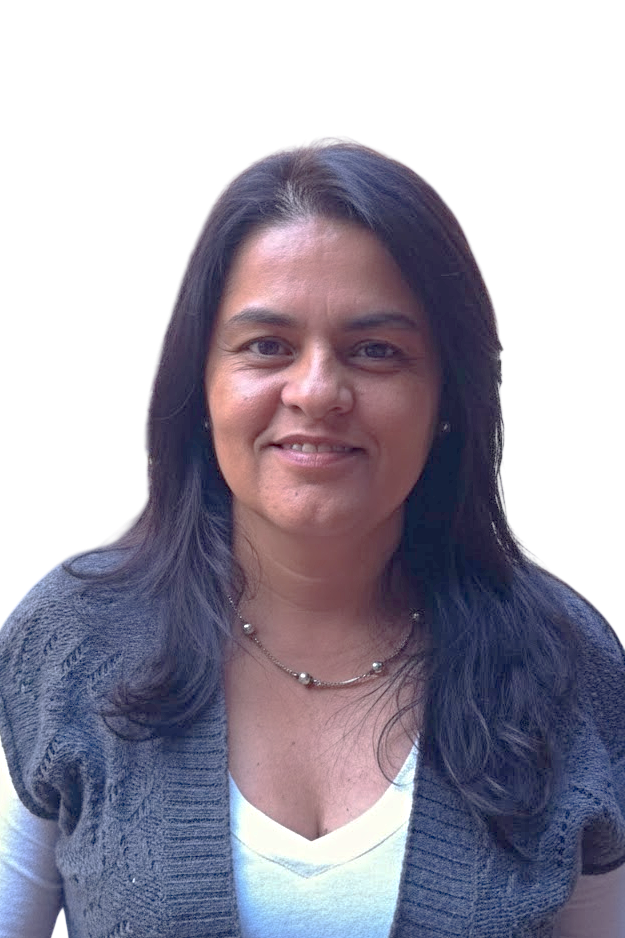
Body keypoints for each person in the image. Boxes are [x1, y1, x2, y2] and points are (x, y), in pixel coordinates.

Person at [1, 136, 623, 938]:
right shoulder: (67, 640)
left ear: (446, 396)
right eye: (268, 346)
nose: (318, 390)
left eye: (376, 351)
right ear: (201, 383)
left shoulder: (568, 666)